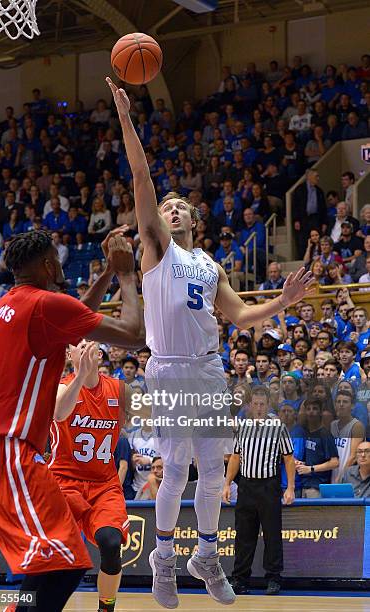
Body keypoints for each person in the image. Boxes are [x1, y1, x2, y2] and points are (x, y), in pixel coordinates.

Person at [107, 75, 313, 608]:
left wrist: (283, 303)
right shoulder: (157, 249)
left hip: (210, 369)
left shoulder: (208, 264)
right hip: (170, 367)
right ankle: (164, 558)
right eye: (166, 207)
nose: (170, 210)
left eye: (180, 207)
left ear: (195, 220)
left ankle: (204, 554)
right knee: (174, 469)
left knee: (217, 474)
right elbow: (140, 175)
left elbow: (241, 314)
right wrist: (128, 119)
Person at [0, 229, 144, 612]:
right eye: (56, 259)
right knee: (62, 563)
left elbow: (73, 317)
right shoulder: (45, 305)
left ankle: (19, 607)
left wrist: (105, 273)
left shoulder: (13, 303)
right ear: (48, 264)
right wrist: (127, 274)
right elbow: (134, 334)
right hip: (8, 444)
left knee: (61, 561)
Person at [49, 340, 131, 612]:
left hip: (104, 485)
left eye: (89, 345)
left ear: (100, 354)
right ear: (69, 354)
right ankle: (29, 603)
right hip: (64, 482)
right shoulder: (60, 386)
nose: (84, 349)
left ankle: (105, 608)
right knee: (54, 552)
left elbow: (153, 416)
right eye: (78, 346)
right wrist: (81, 375)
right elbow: (60, 412)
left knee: (110, 543)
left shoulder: (120, 390)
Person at [223, 386, 295, 596]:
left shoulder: (278, 427)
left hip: (268, 486)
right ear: (249, 405)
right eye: (255, 404)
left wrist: (289, 487)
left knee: (272, 534)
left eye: (262, 404)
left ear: (268, 405)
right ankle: (240, 579)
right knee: (243, 535)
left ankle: (273, 578)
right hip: (245, 485)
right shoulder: (243, 427)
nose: (259, 408)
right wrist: (227, 484)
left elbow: (288, 458)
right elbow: (236, 457)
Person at [296, 398, 339, 498]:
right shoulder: (306, 432)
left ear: (320, 412)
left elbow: (335, 462)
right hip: (304, 485)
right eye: (308, 409)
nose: (311, 411)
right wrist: (302, 464)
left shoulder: (325, 434)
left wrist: (310, 468)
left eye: (314, 408)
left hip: (318, 488)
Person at [330, 390, 364, 483]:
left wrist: (341, 476)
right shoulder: (332, 425)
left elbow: (353, 457)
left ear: (352, 406)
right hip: (332, 475)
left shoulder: (357, 426)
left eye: (345, 402)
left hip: (349, 477)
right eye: (338, 401)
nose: (341, 404)